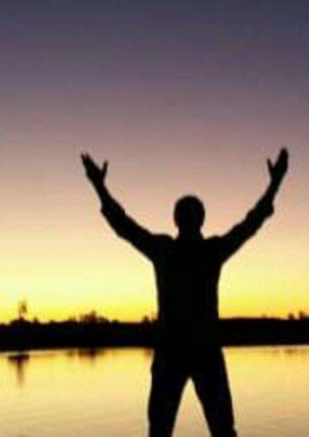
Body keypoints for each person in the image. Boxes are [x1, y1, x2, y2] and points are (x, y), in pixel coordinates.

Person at [81, 148, 289, 437]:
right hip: (188, 351)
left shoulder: (174, 250)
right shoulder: (201, 250)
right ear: (193, 219)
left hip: (183, 351)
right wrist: (275, 183)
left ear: (179, 219)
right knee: (210, 430)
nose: (188, 219)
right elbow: (251, 223)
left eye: (188, 214)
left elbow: (123, 225)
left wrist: (99, 185)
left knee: (187, 430)